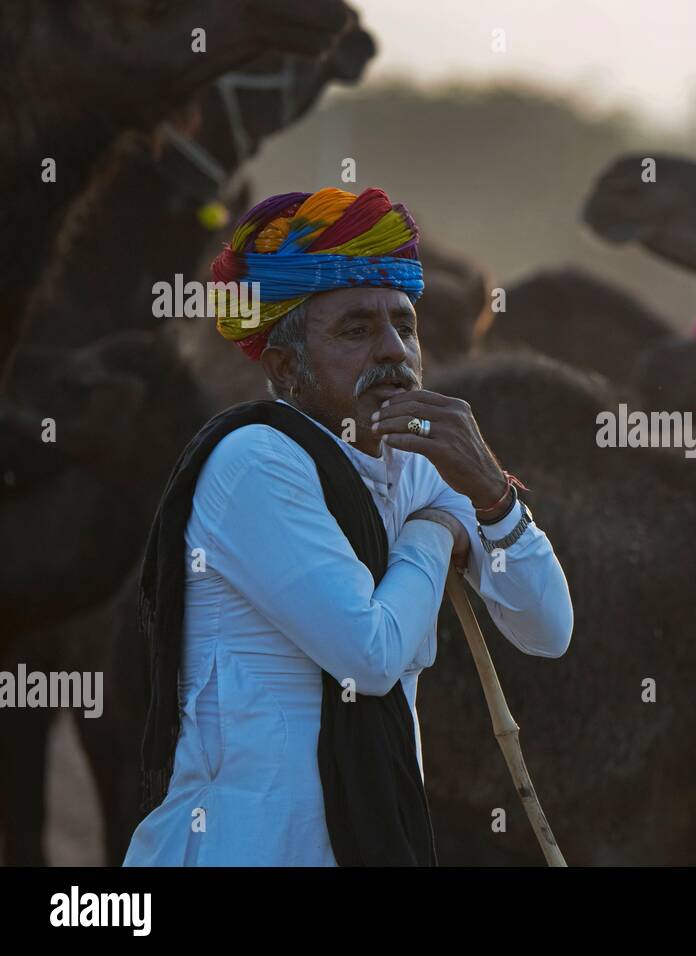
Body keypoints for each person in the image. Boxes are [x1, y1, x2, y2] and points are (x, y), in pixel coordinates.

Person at [124, 187, 572, 866]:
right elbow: (369, 655)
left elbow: (548, 630)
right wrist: (434, 534)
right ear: (282, 365)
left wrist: (489, 493)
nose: (394, 350)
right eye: (356, 330)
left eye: (404, 325)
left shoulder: (420, 465)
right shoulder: (257, 460)